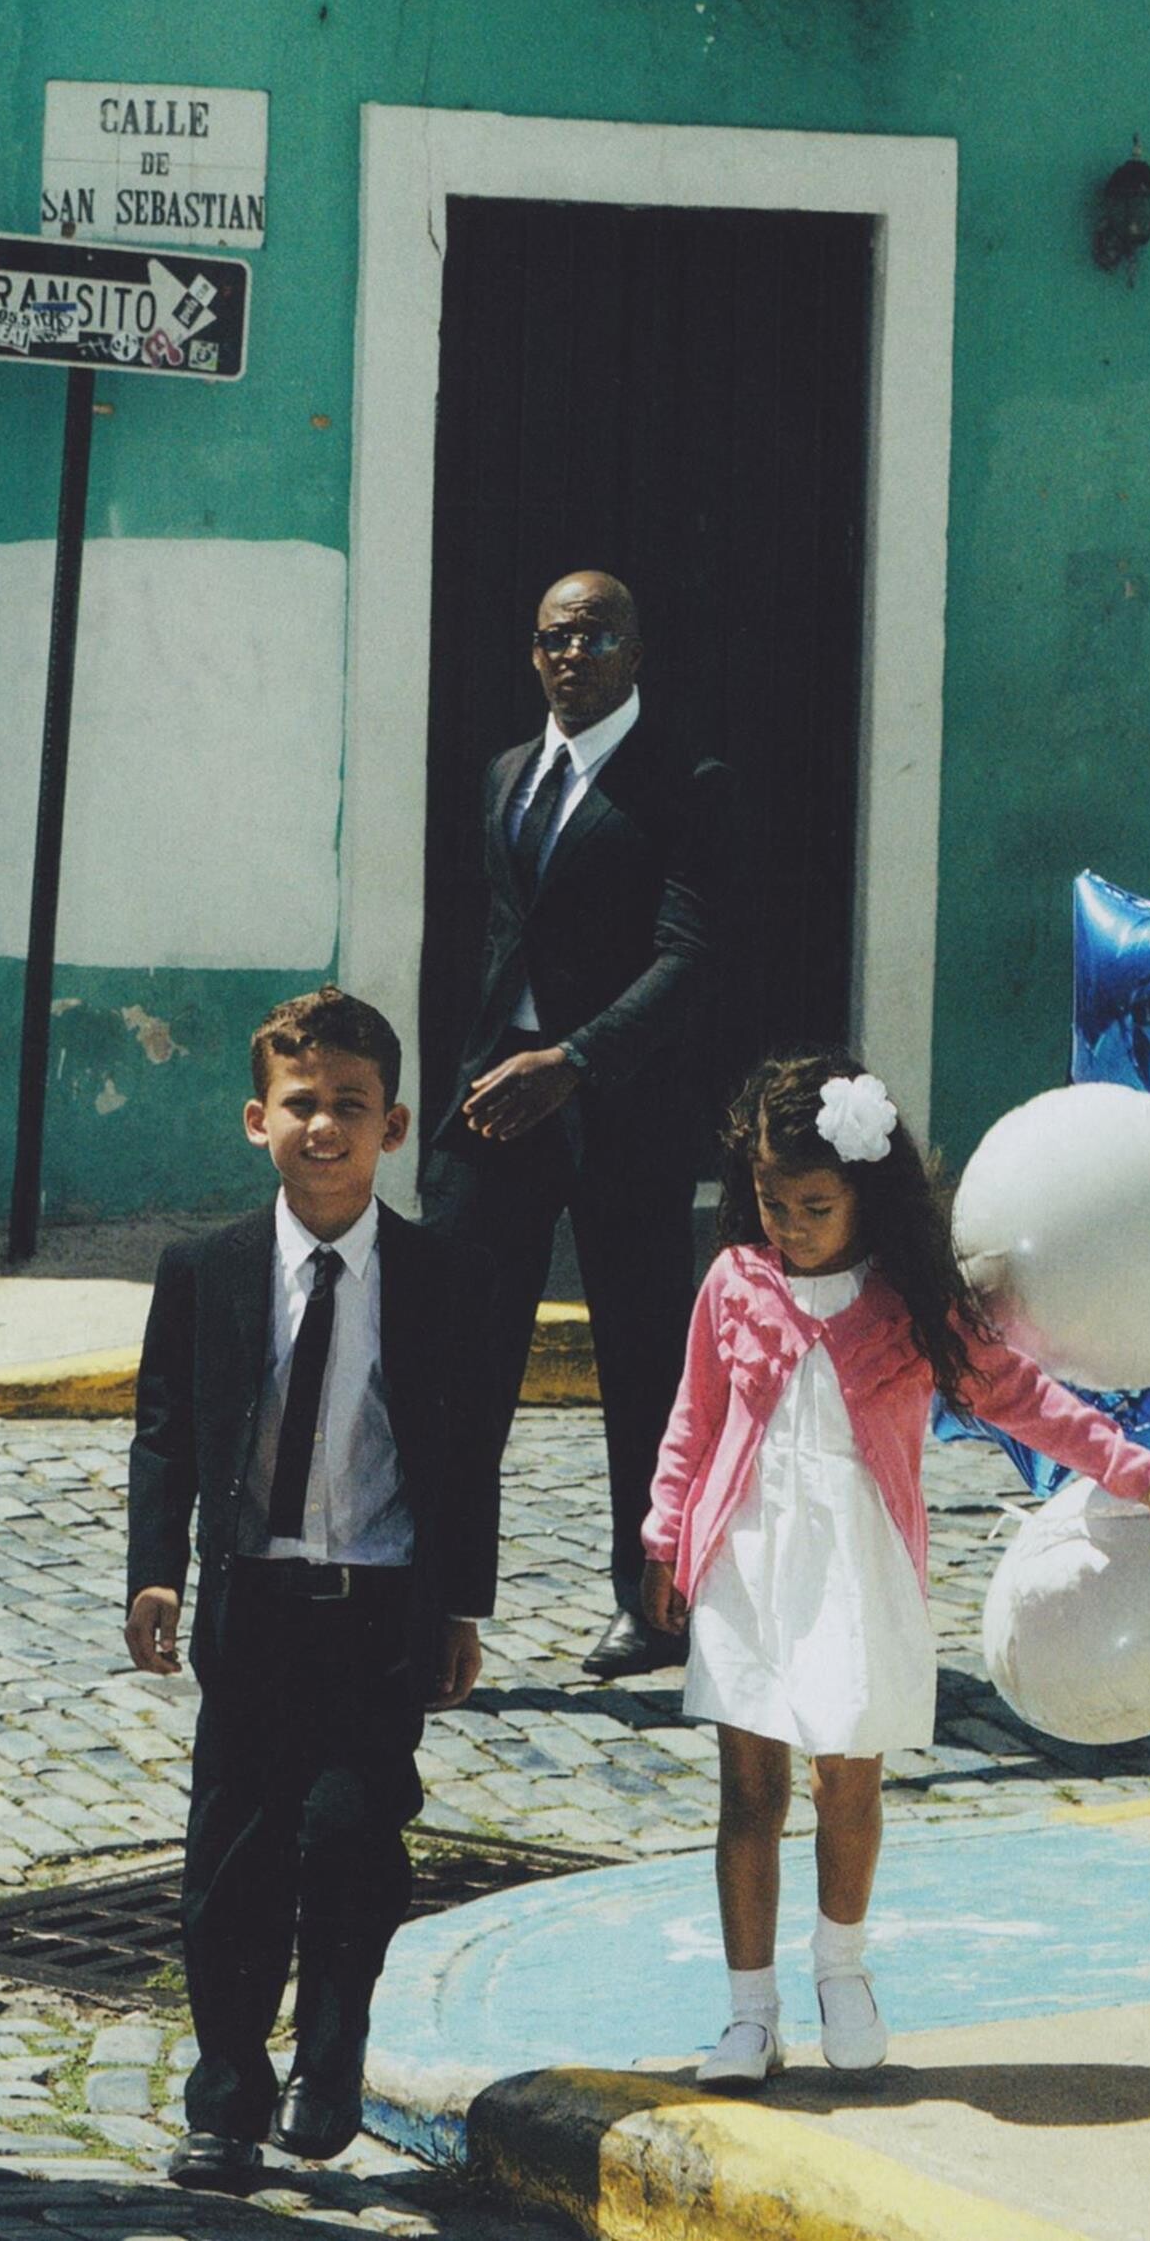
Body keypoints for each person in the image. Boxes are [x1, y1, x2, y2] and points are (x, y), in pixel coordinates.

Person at [642, 1055, 1150, 2085]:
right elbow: (695, 1416)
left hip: (857, 1565)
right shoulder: (733, 1281)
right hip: (747, 1561)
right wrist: (662, 1537)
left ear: (865, 1191)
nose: (790, 1224)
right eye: (771, 1200)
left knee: (845, 1777)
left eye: (814, 1205)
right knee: (747, 1789)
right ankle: (748, 2013)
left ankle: (842, 1969)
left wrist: (1136, 1474)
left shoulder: (908, 1301)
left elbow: (1023, 1396)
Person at [127, 985, 490, 2193]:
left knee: (348, 1834)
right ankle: (225, 2095)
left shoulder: (439, 1276)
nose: (323, 1125)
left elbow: (464, 1453)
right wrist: (155, 1571)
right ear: (256, 1119)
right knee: (231, 1860)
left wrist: (460, 1605)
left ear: (393, 1125)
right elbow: (166, 1432)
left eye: (350, 1103)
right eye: (299, 1102)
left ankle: (329, 2055)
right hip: (254, 1608)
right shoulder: (208, 1270)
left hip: (377, 1608)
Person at [421, 567, 734, 1677]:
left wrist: (577, 1060)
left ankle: (648, 1602)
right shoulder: (508, 771)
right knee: (459, 1356)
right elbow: (496, 937)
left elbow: (689, 955)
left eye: (595, 637)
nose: (570, 655)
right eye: (553, 637)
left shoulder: (685, 782)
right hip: (495, 1104)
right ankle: (443, 1604)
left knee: (642, 1363)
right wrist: (472, 1070)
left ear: (634, 653)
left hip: (622, 1112)